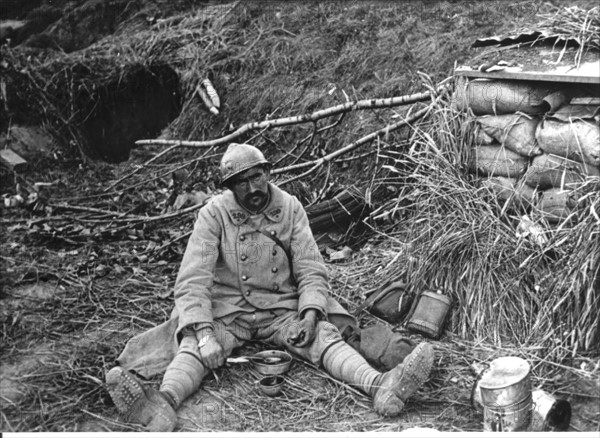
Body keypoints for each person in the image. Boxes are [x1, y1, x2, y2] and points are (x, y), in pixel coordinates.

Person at [105, 143, 434, 432]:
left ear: (267, 172)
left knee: (323, 334)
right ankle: (160, 404)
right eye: (241, 182)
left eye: (256, 177)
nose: (251, 188)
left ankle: (381, 385)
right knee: (192, 345)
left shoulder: (289, 207)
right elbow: (193, 279)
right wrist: (205, 335)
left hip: (280, 307)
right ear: (230, 187)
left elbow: (310, 268)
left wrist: (308, 315)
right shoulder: (213, 214)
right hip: (228, 309)